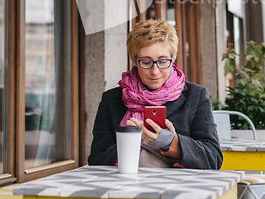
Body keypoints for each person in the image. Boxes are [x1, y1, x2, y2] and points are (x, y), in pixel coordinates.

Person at [88, 19, 223, 170]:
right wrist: (127, 141)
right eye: (146, 62)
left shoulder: (195, 96)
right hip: (124, 189)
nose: (155, 71)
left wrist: (171, 142)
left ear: (173, 59)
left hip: (177, 189)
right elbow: (95, 160)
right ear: (134, 60)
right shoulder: (111, 100)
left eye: (163, 61)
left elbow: (213, 159)